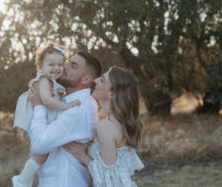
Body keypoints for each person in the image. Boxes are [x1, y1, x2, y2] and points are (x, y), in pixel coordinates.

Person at [28, 51, 102, 187]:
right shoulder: (64, 100)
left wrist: (38, 107)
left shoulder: (80, 107)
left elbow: (39, 145)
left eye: (73, 66)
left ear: (86, 80)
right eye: (67, 61)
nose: (64, 66)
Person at [12, 42, 81, 187]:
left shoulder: (54, 82)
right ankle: (21, 179)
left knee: (40, 154)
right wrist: (67, 105)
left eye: (60, 64)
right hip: (30, 120)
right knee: (41, 153)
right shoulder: (44, 80)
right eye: (51, 65)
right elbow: (47, 101)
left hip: (39, 119)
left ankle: (26, 180)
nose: (56, 68)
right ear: (41, 67)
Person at [64, 66, 144, 187]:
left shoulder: (106, 126)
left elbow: (111, 180)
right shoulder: (117, 122)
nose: (95, 80)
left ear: (112, 94)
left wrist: (83, 156)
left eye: (102, 80)